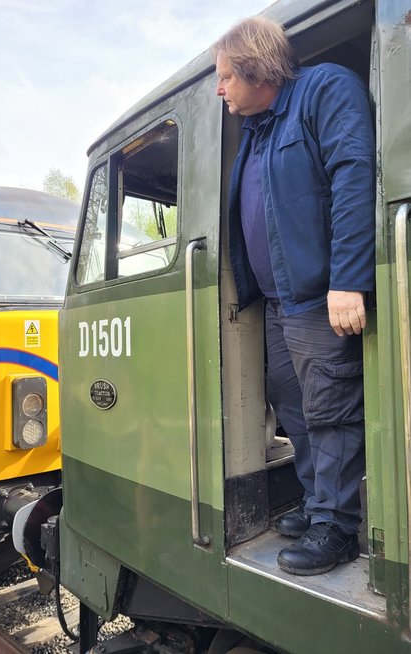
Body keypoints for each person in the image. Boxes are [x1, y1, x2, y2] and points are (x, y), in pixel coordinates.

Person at [212, 16, 375, 576]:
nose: (220, 88)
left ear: (257, 69)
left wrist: (348, 279)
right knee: (296, 409)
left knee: (331, 409)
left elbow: (355, 177)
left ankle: (339, 527)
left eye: (226, 76)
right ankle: (316, 502)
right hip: (278, 302)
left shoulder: (325, 90)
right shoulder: (259, 132)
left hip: (319, 296)